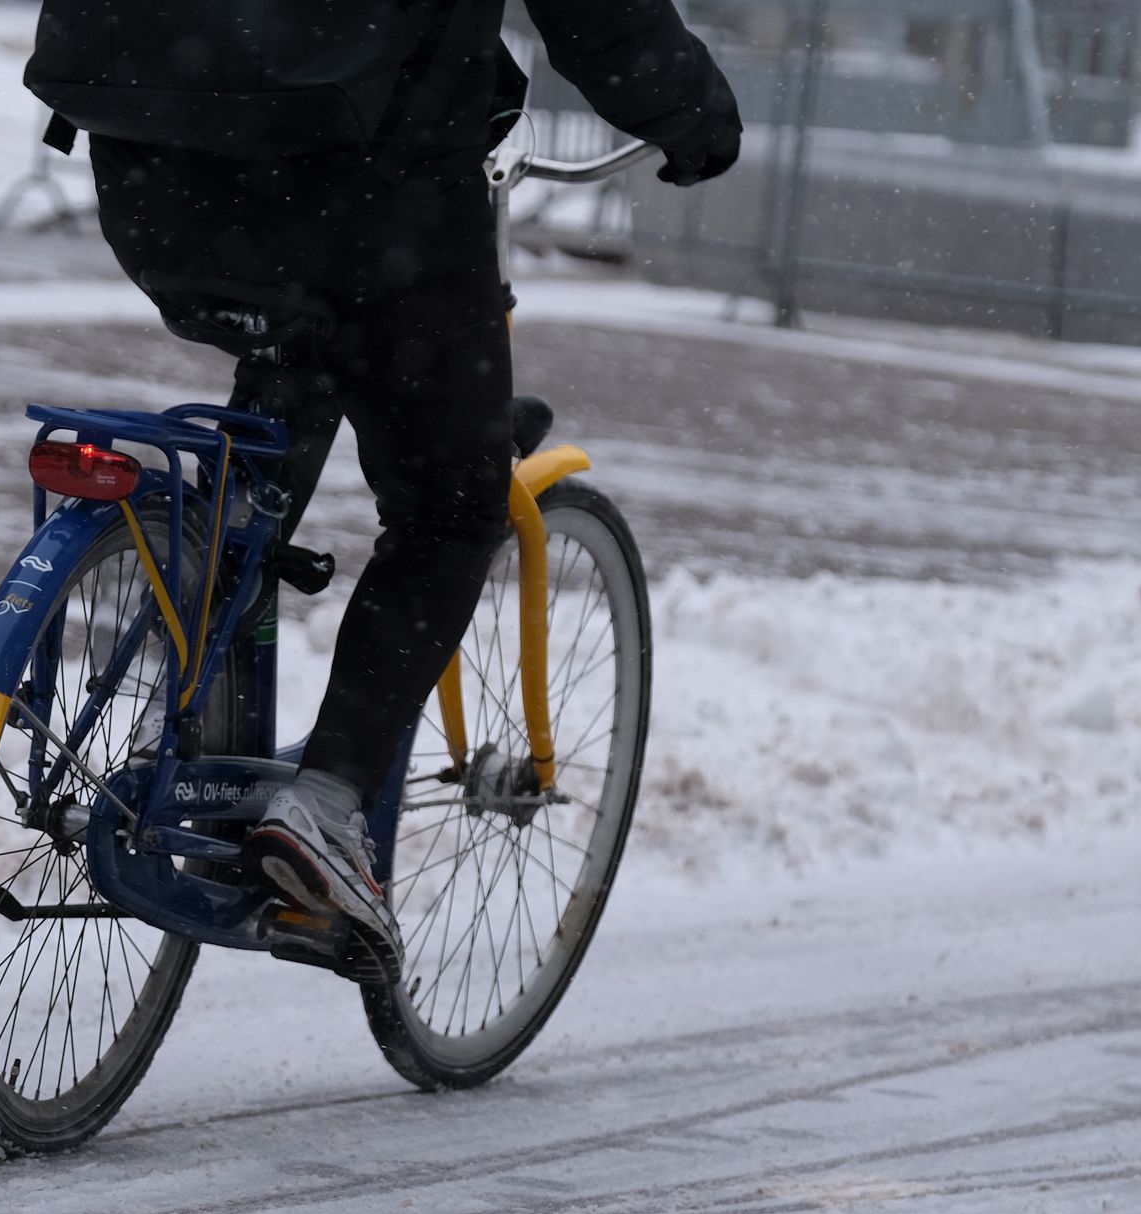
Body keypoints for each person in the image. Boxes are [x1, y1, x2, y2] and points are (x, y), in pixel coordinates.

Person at [41, 2, 740, 983]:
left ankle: (184, 698)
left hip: (153, 158)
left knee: (286, 375)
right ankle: (324, 808)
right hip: (364, 186)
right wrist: (692, 114)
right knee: (454, 503)